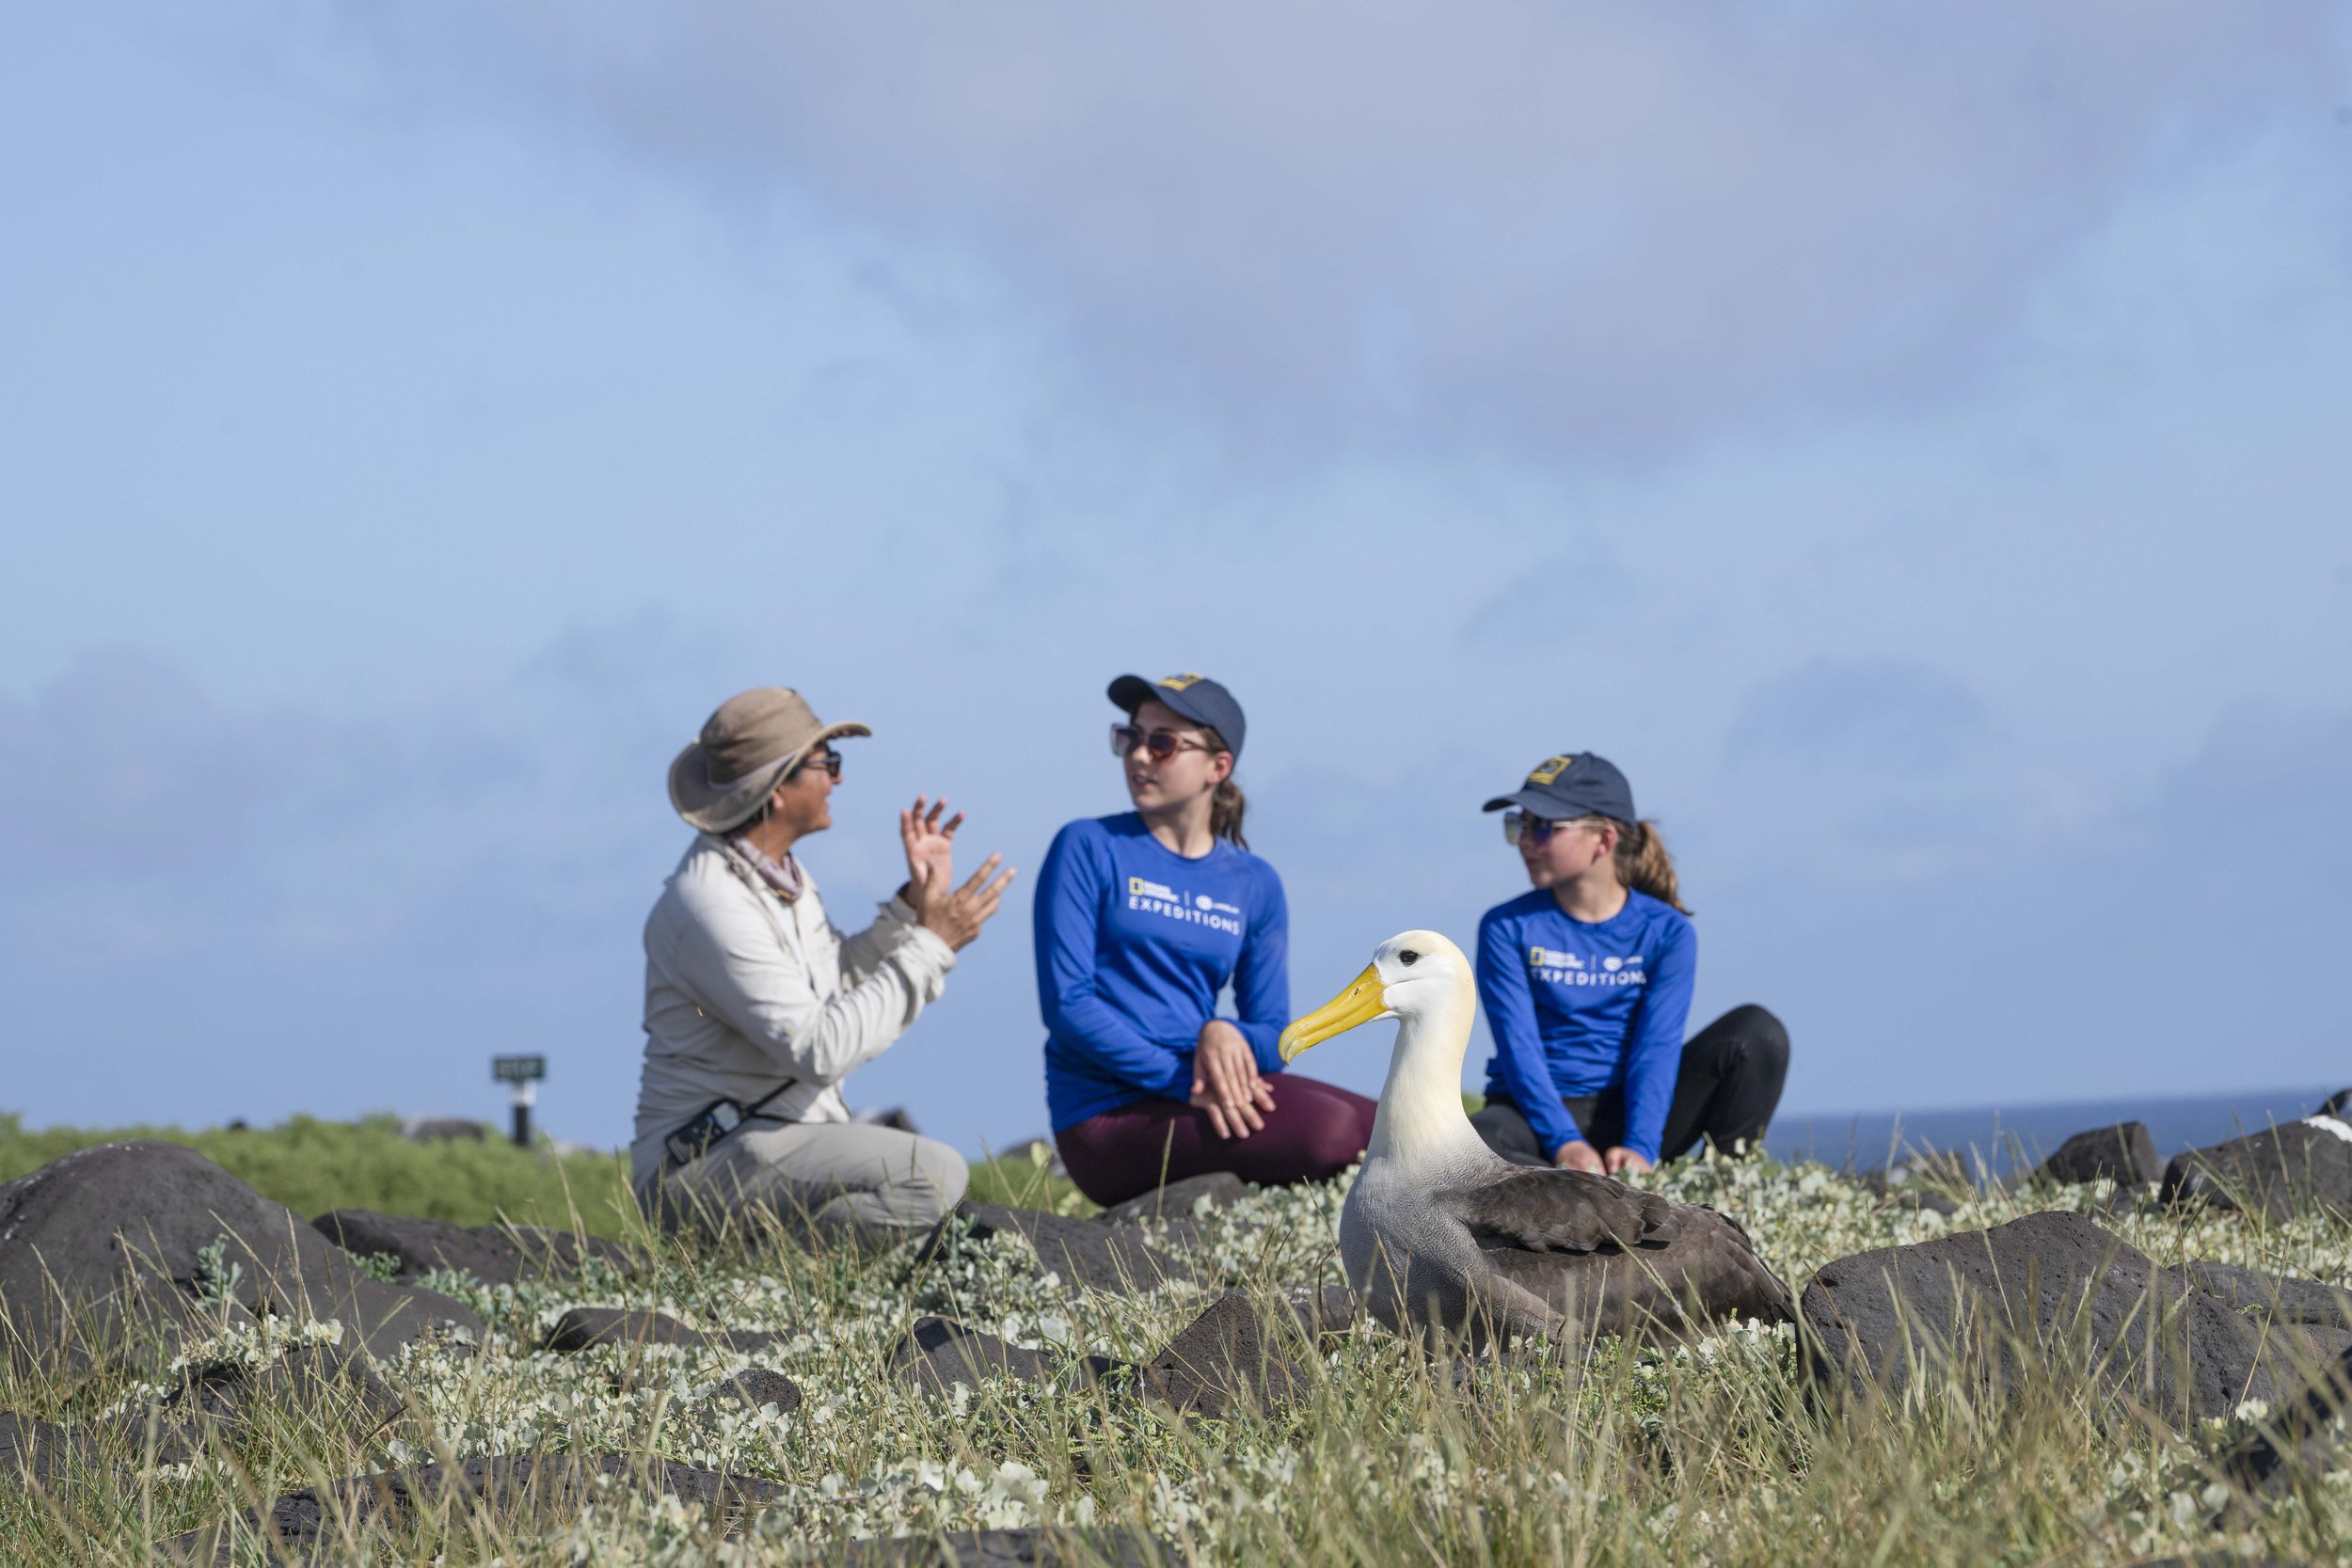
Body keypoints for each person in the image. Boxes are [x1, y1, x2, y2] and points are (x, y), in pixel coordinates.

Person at [633, 687, 1015, 1238]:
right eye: (827, 763)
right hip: (700, 1166)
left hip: (767, 1140)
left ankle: (786, 1270)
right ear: (777, 790)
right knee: (931, 1174)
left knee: (919, 1190)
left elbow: (833, 984)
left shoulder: (776, 875)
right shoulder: (712, 907)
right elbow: (821, 1050)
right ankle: (781, 1276)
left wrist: (911, 906)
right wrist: (932, 945)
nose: (838, 779)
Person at [1035, 672, 1376, 1207]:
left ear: (1218, 767)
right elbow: (1068, 1007)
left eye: (1162, 743)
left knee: (1386, 1124)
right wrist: (1185, 1081)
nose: (1139, 755)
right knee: (1332, 1132)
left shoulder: (1255, 882)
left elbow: (1275, 1034)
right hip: (1108, 1113)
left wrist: (1226, 1032)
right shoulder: (1088, 845)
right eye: (1131, 736)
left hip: (1203, 1090)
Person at [1467, 752, 1788, 1175]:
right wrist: (1564, 1142)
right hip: (1531, 1116)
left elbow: (1656, 1048)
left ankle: (1725, 1189)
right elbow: (1519, 1048)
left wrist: (1641, 1147)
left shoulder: (1668, 932)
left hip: (1630, 1116)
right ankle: (1571, 1189)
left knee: (1758, 1032)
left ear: (1603, 840)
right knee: (1472, 1145)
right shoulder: (1505, 926)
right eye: (1519, 825)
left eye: (1543, 826)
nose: (1526, 840)